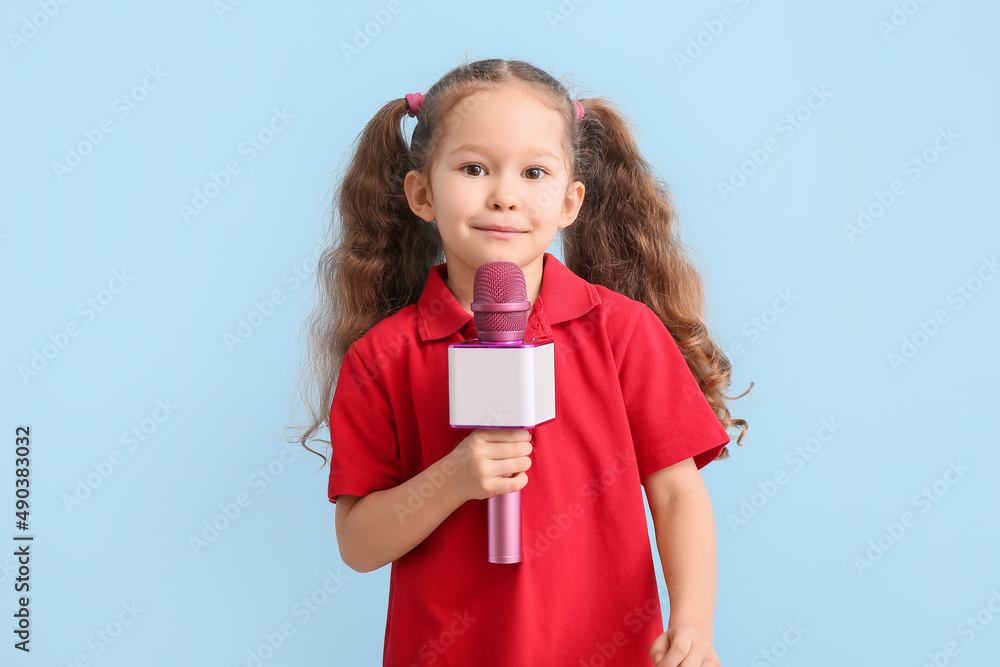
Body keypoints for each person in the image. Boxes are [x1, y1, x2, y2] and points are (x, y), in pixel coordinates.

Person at [289, 58, 751, 666]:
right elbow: (358, 542)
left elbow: (676, 495)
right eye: (474, 168)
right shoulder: (382, 358)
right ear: (422, 193)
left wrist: (694, 624)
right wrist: (452, 479)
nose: (505, 196)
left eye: (534, 172)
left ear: (569, 202)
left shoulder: (622, 332)